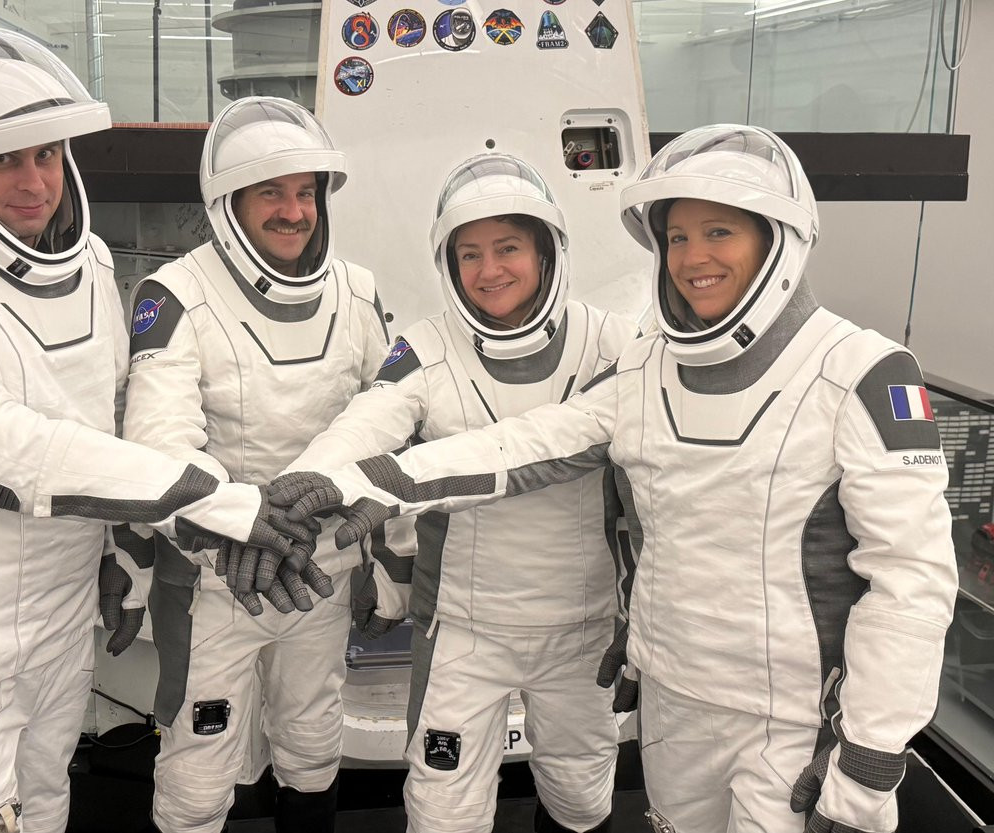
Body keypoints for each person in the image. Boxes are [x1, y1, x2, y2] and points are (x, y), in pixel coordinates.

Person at [266, 124, 959, 833]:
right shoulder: (646, 366)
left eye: (718, 232)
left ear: (779, 238)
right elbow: (528, 444)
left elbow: (912, 578)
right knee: (449, 810)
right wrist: (355, 482)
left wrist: (871, 749)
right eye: (677, 237)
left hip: (792, 714)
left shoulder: (863, 373)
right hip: (668, 693)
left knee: (581, 800)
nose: (693, 257)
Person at [0, 26, 303, 833]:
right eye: (4, 159)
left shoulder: (87, 264)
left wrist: (126, 557)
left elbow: (105, 423)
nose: (35, 181)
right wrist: (215, 500)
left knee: (45, 811)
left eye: (47, 154)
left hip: (61, 621)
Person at [282, 153, 636, 833]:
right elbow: (364, 426)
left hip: (582, 628)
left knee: (582, 798)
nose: (488, 270)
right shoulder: (425, 349)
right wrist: (296, 492)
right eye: (469, 254)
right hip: (463, 632)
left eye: (508, 248)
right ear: (447, 263)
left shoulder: (616, 344)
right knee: (443, 810)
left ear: (547, 250)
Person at [102, 96, 389, 833]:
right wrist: (236, 533)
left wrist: (377, 551)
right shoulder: (174, 295)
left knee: (313, 744)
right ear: (228, 203)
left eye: (306, 192)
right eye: (271, 193)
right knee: (199, 770)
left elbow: (386, 422)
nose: (294, 212)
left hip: (320, 575)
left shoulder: (358, 292)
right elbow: (161, 446)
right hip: (214, 577)